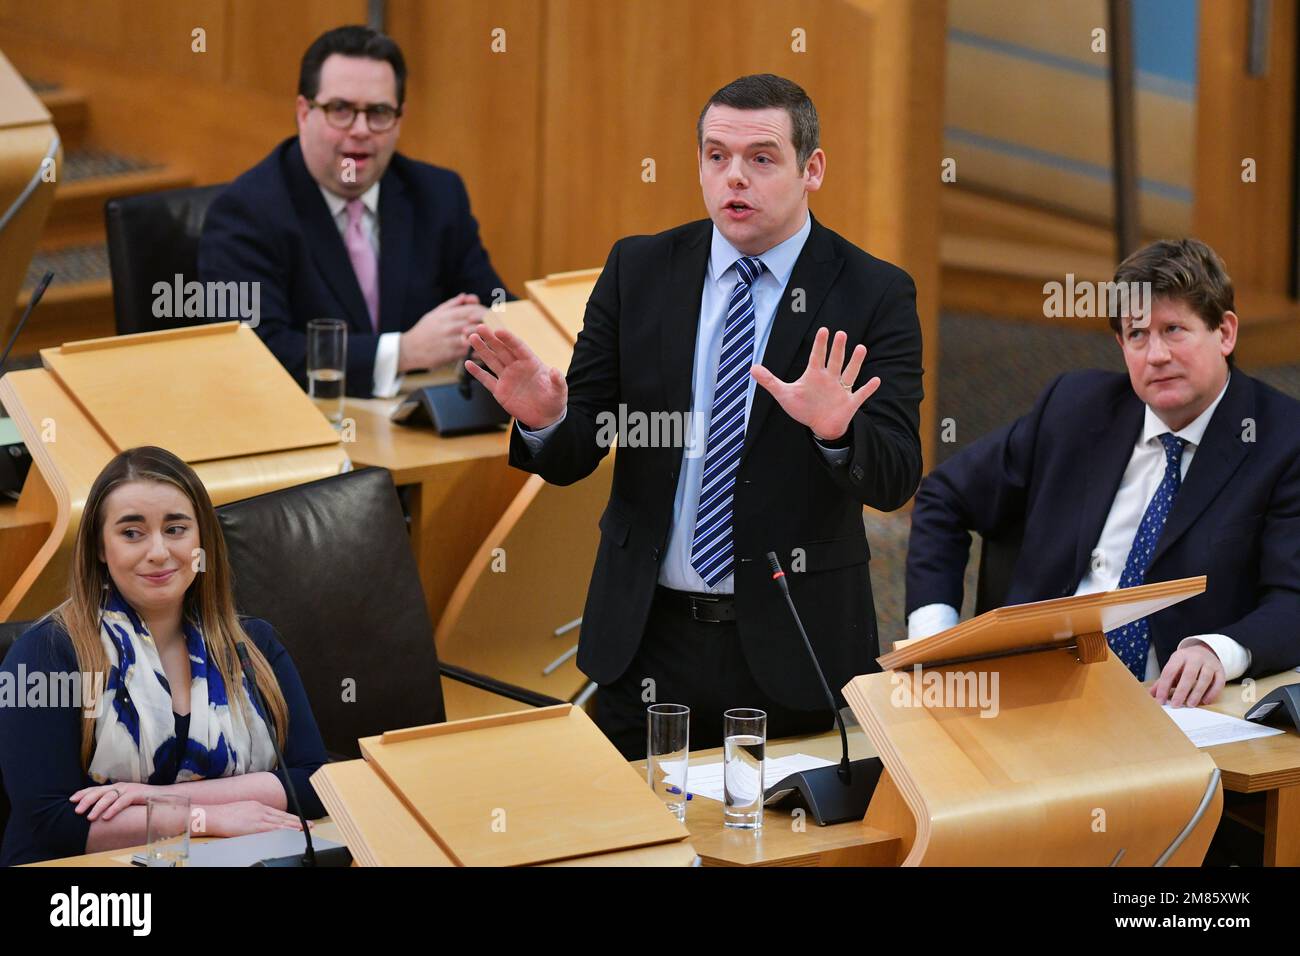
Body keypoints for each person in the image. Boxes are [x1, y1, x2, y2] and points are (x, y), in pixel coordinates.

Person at [465, 74, 924, 757]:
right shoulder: (639, 269)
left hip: (788, 644)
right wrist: (547, 421)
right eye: (716, 156)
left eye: (761, 159)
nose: (733, 177)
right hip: (645, 638)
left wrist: (838, 432)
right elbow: (574, 454)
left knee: (779, 850)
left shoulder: (874, 292)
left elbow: (895, 479)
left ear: (812, 169)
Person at [906, 238, 1300, 708]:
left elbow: (1293, 599)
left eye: (1174, 329)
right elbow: (943, 497)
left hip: (1173, 709)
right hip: (1029, 693)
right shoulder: (1075, 407)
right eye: (1138, 335)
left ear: (1225, 333)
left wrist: (1218, 650)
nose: (1156, 355)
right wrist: (934, 641)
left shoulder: (1282, 440)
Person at [0, 446, 328, 866]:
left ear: (202, 540)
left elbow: (314, 783)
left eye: (176, 529)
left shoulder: (254, 645)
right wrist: (206, 817)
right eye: (132, 533)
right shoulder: (43, 656)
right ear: (101, 548)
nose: (158, 552)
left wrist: (156, 798)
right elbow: (50, 822)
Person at [198, 24, 510, 398]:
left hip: (417, 432)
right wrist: (402, 352)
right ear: (303, 112)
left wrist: (481, 331)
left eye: (379, 112)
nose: (361, 130)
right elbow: (255, 353)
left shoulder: (437, 194)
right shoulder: (246, 212)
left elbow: (498, 308)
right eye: (341, 110)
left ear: (399, 119)